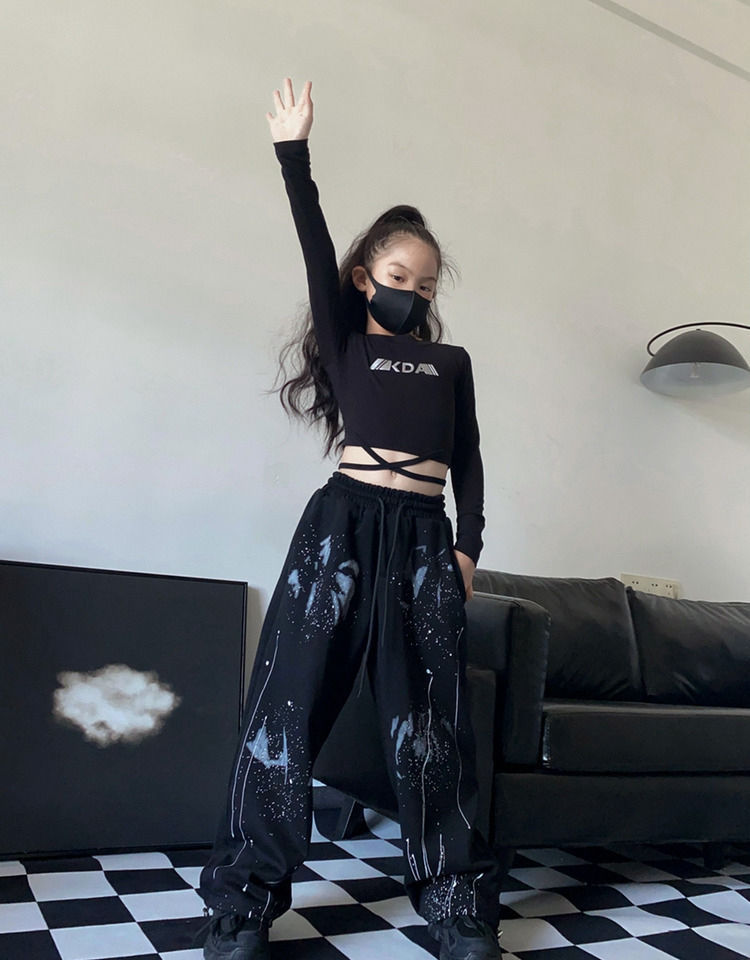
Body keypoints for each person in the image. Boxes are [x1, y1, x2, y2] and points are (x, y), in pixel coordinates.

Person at [194, 77, 505, 960]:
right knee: (285, 710)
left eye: (425, 284)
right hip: (341, 528)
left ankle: (455, 905)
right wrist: (293, 155)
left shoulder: (451, 362)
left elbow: (470, 455)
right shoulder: (348, 341)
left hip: (424, 536)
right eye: (398, 277)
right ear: (368, 278)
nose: (413, 292)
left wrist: (467, 547)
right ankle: (242, 905)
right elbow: (313, 239)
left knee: (434, 726)